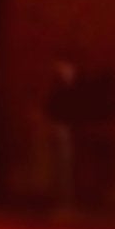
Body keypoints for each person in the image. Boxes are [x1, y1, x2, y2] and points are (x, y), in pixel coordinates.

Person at [45, 57, 83, 211]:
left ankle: (65, 196)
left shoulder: (72, 89)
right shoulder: (59, 88)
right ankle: (60, 196)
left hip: (67, 131)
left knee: (65, 166)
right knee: (59, 166)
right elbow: (52, 108)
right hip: (59, 130)